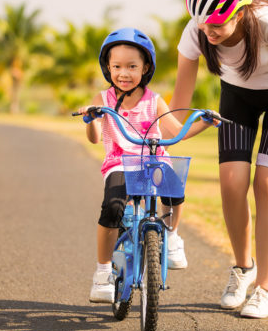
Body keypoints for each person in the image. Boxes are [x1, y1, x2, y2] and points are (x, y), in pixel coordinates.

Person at [169, 0, 268, 318]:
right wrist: (158, 135)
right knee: (232, 184)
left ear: (240, 10)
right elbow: (179, 109)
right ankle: (242, 269)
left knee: (265, 184)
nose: (209, 30)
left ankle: (265, 289)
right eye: (203, 22)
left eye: (217, 23)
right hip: (237, 96)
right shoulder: (196, 31)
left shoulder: (264, 22)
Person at [77, 27, 220, 303]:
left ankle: (174, 237)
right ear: (108, 68)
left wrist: (204, 122)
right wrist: (91, 119)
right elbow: (95, 138)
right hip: (119, 164)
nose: (124, 73)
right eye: (117, 66)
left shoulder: (154, 101)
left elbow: (177, 131)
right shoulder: (103, 100)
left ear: (145, 68)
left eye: (132, 66)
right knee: (113, 208)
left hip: (153, 161)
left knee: (174, 190)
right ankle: (102, 272)